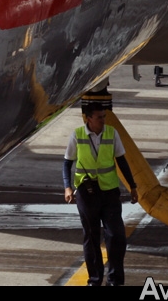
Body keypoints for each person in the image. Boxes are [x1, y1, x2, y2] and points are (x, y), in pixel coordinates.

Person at [63, 90, 139, 286]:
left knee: (116, 236)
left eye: (104, 117)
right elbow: (67, 163)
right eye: (99, 118)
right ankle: (95, 280)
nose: (103, 120)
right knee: (91, 237)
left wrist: (132, 186)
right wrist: (67, 187)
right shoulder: (77, 135)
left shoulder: (112, 134)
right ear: (88, 119)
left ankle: (115, 280)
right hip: (86, 193)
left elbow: (122, 161)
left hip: (109, 192)